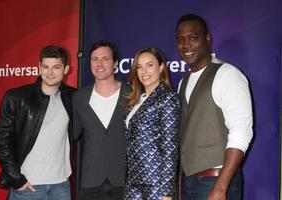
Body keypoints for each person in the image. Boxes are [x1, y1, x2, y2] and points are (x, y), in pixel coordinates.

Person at [175, 14, 253, 200]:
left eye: (193, 38)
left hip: (215, 182)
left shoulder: (227, 75)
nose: (186, 45)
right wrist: (180, 182)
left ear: (208, 39)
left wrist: (220, 188)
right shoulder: (183, 83)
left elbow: (241, 132)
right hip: (188, 183)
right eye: (180, 40)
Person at [0, 45, 76, 200]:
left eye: (56, 67)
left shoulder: (73, 98)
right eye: (45, 67)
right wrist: (16, 179)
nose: (50, 72)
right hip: (28, 186)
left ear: (66, 69)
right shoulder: (17, 98)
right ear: (39, 67)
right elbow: (2, 141)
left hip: (61, 186)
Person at [73, 40, 129, 200]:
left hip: (124, 181)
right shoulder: (79, 98)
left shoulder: (132, 94)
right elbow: (72, 135)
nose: (99, 63)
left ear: (115, 63)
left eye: (105, 58)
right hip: (91, 182)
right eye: (95, 59)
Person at [124, 47, 181, 200]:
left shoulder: (167, 99)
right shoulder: (136, 100)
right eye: (139, 67)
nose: (144, 72)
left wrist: (167, 193)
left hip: (156, 185)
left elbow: (170, 147)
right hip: (133, 182)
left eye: (149, 65)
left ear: (161, 67)